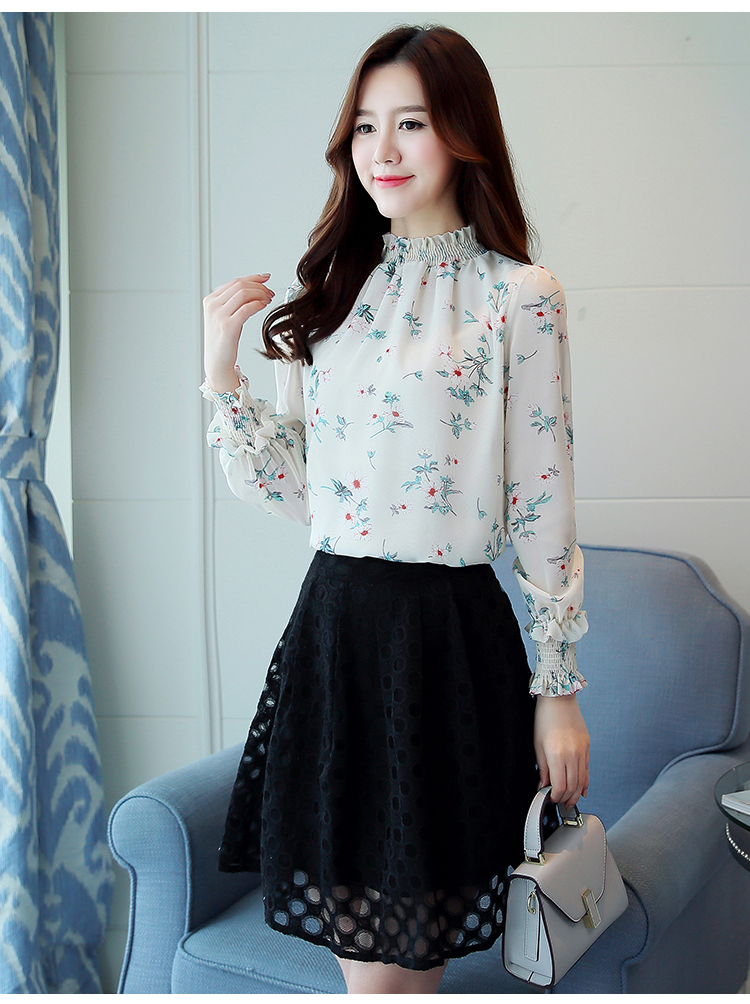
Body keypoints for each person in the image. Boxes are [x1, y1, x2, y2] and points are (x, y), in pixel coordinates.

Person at [201, 24, 589, 995]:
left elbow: (542, 500)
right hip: (334, 639)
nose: (381, 148)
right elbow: (301, 493)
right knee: (373, 976)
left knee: (401, 975)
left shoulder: (520, 296)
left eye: (410, 122)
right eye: (366, 126)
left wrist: (559, 689)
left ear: (463, 131)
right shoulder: (333, 293)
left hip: (447, 643)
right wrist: (221, 375)